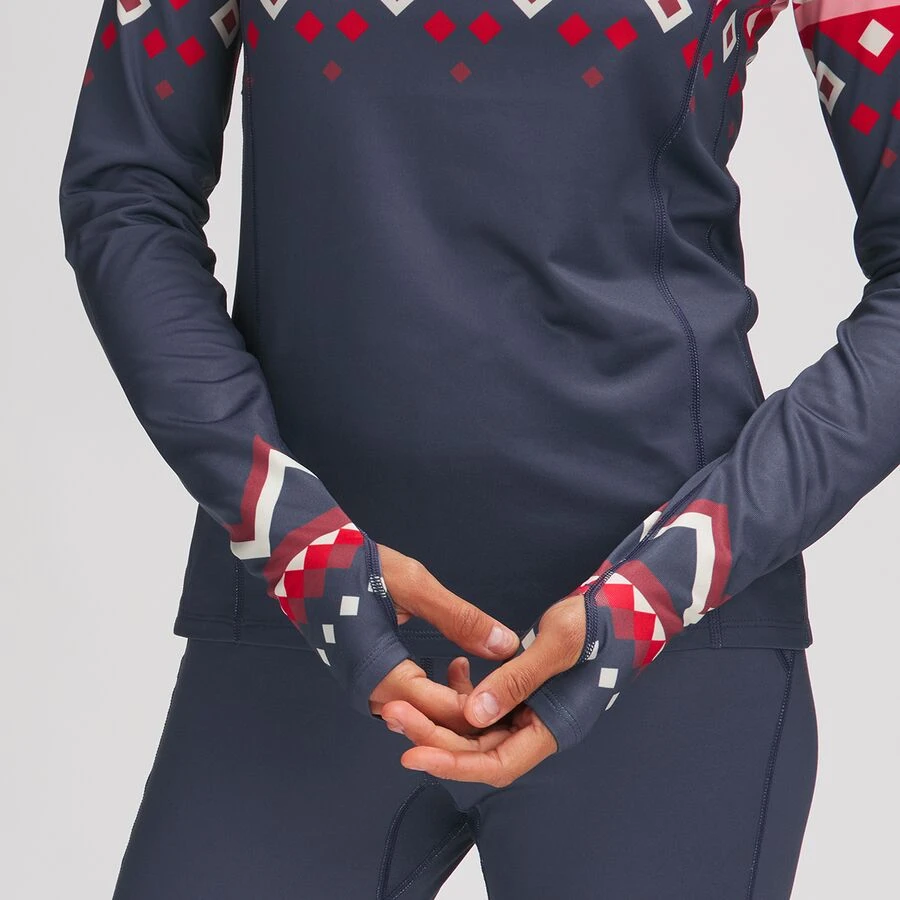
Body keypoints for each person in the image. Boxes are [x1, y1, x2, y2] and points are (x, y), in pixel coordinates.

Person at [57, 0, 895, 896]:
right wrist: (298, 542)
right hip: (300, 630)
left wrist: (659, 588)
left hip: (665, 661)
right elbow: (124, 194)